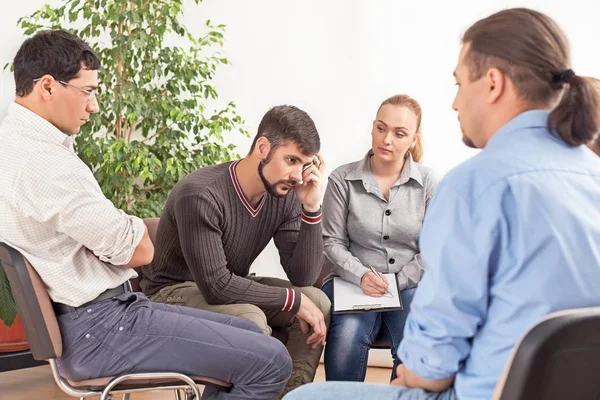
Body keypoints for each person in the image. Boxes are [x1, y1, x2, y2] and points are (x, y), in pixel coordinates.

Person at [284, 7, 600, 400]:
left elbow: (430, 370)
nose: (454, 103)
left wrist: (414, 375)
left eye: (458, 83)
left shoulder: (473, 185)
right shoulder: (593, 173)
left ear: (492, 84)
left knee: (304, 397)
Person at [0, 30, 292, 400]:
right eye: (88, 91)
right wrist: (122, 230)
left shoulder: (12, 144)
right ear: (47, 87)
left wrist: (116, 231)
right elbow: (141, 253)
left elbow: (121, 240)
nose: (94, 106)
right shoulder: (44, 164)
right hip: (103, 328)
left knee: (251, 336)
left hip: (98, 318)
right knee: (271, 361)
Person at [140, 104, 331, 396]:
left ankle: (289, 395)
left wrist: (311, 207)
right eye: (291, 160)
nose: (297, 175)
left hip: (227, 284)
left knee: (316, 300)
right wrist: (291, 300)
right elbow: (215, 285)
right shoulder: (201, 194)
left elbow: (303, 275)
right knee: (249, 318)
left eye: (304, 164)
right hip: (171, 292)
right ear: (263, 147)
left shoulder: (285, 193)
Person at [320, 94, 438, 382]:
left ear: (413, 139)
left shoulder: (429, 182)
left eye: (399, 134)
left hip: (410, 284)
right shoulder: (342, 179)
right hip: (351, 283)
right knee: (348, 338)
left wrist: (397, 282)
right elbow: (331, 242)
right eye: (381, 128)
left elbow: (435, 249)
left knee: (414, 344)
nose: (387, 139)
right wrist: (361, 275)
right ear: (373, 127)